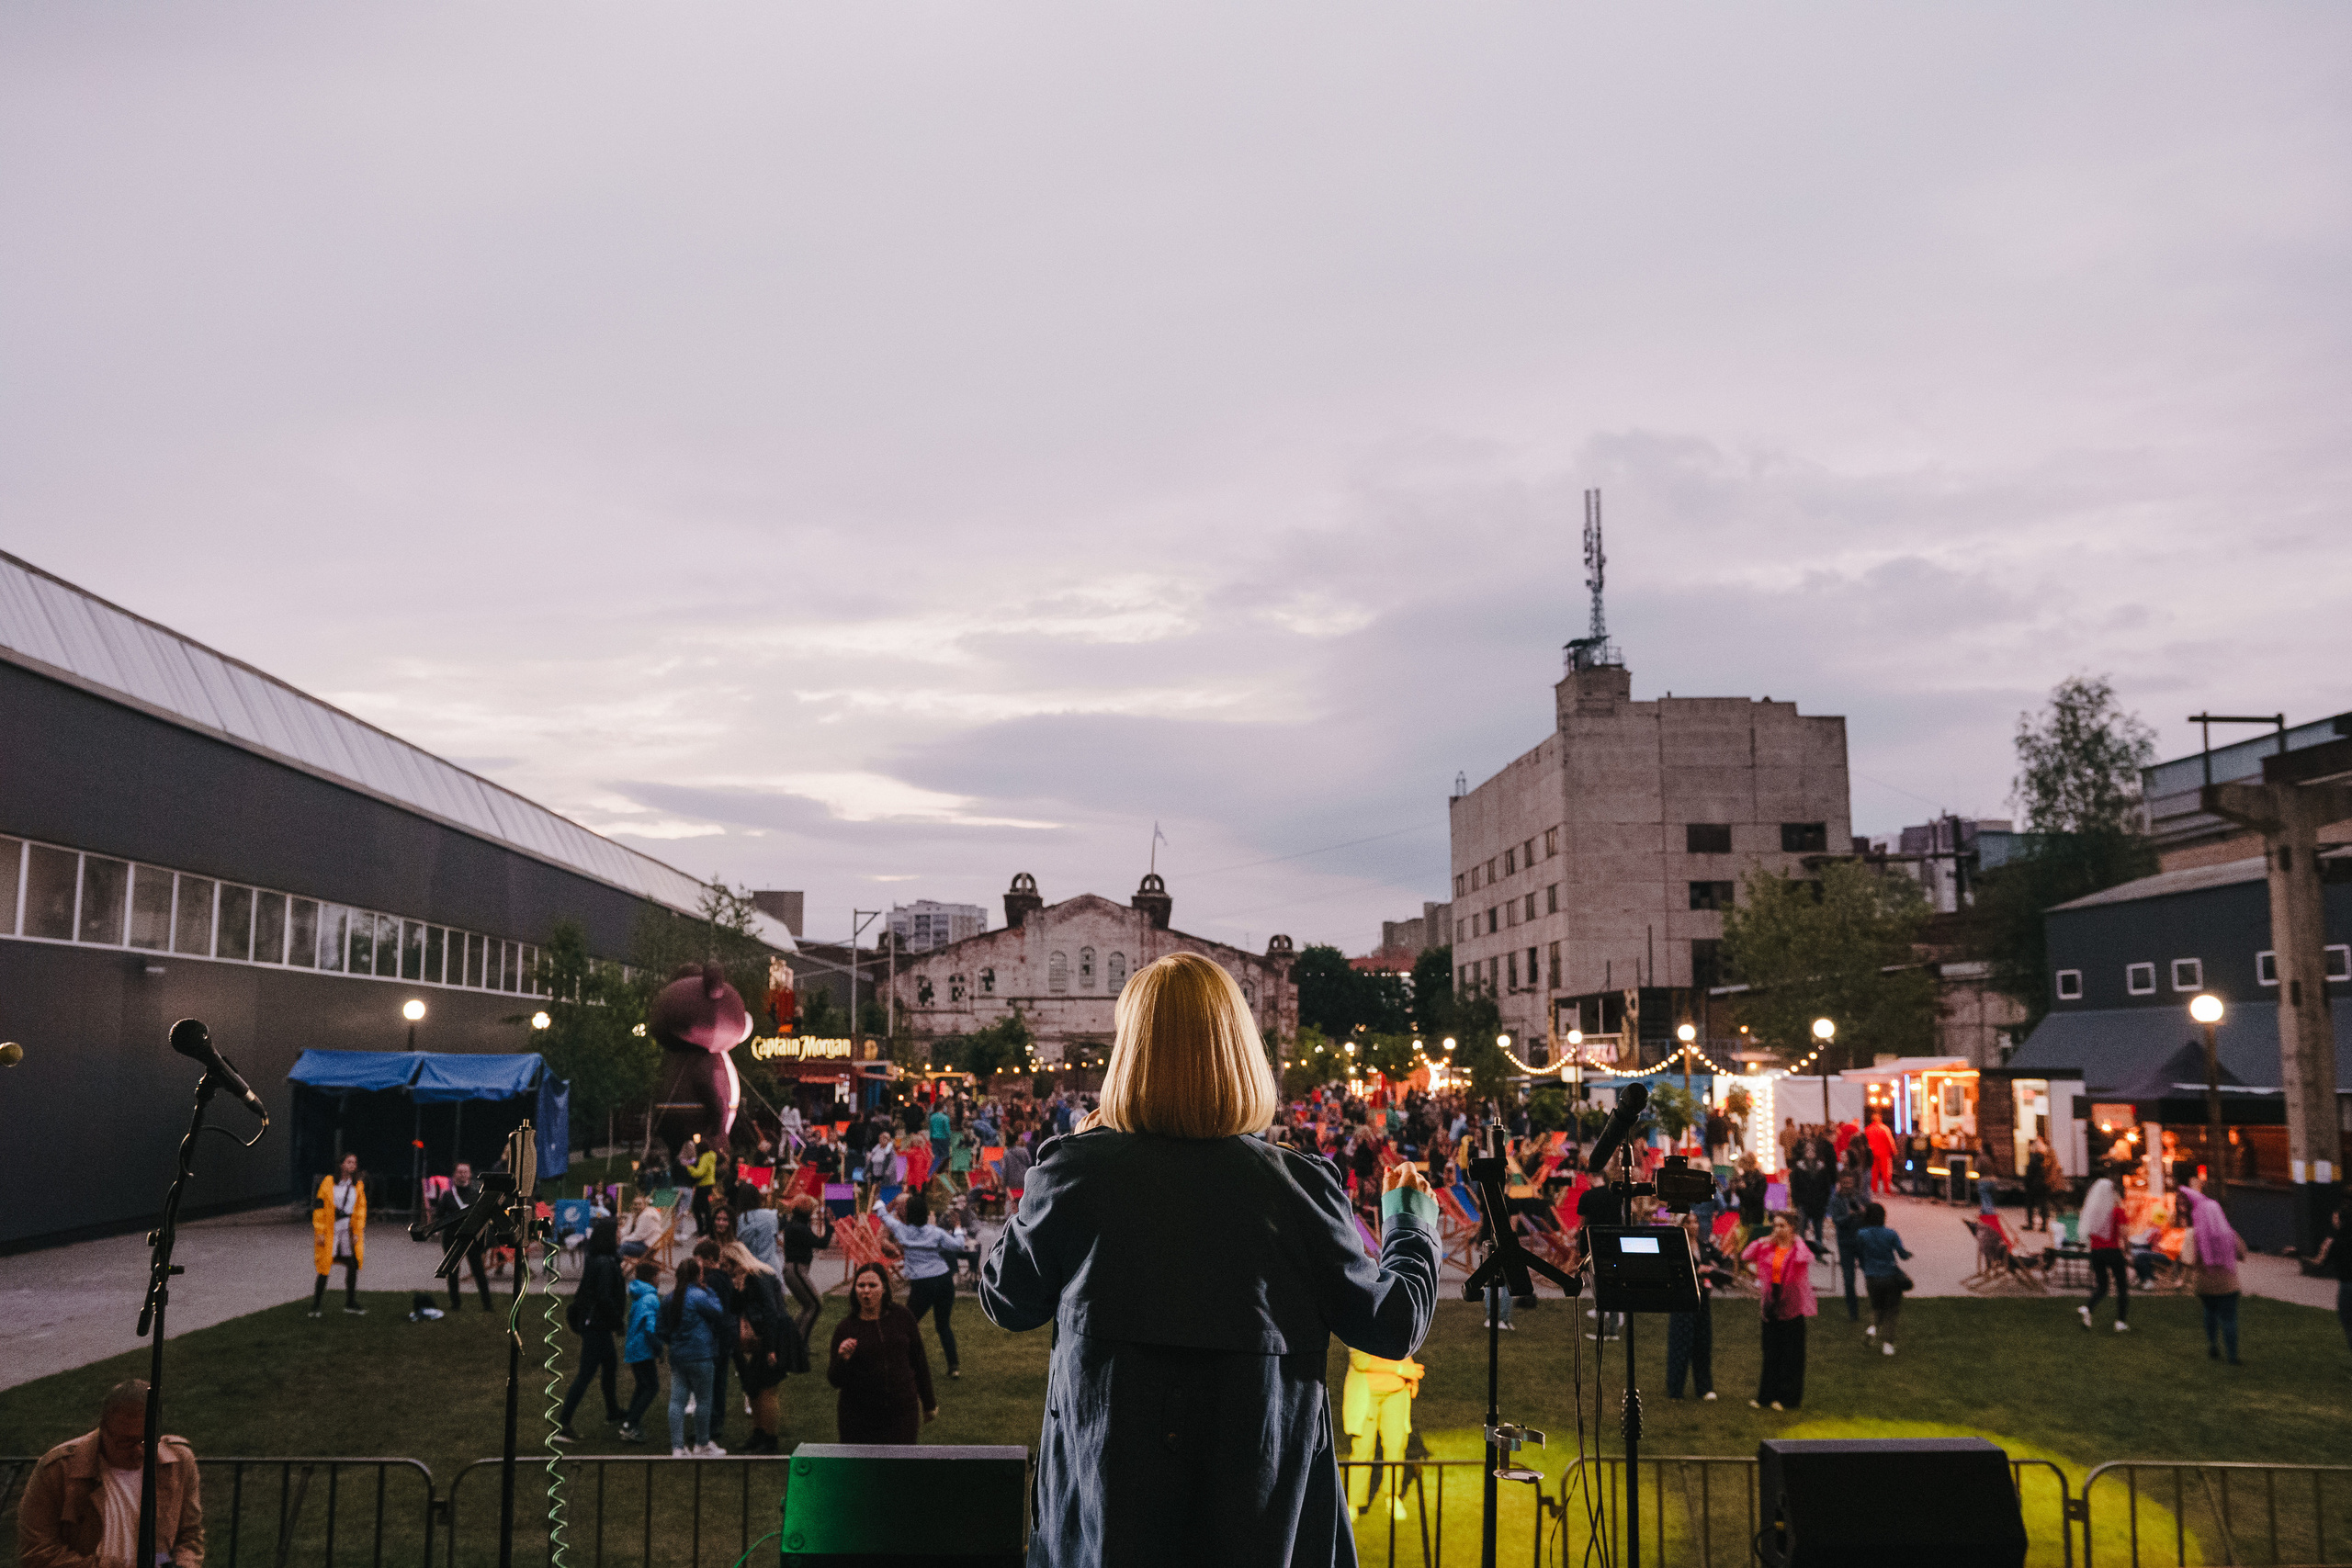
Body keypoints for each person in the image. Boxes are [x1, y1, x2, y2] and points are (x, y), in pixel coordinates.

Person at [981, 951, 1439, 1567]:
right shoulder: (1297, 1187)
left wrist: (1063, 1164)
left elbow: (1006, 1298)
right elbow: (1391, 1324)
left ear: (1132, 1054)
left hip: (1102, 1529)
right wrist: (1410, 1224)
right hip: (1261, 1528)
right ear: (1238, 1050)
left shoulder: (1079, 1170)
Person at [17, 1378, 204, 1568]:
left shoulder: (179, 1463)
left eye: (147, 1440)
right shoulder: (58, 1470)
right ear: (102, 1430)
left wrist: (183, 1565)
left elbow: (190, 1534)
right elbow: (38, 1554)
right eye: (125, 1442)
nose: (139, 1451)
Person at [830, 1261, 937, 1442]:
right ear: (854, 1289)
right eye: (861, 1285)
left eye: (872, 1285)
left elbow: (919, 1360)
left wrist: (929, 1403)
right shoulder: (846, 1328)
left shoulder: (902, 1317)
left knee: (898, 1468)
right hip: (858, 1418)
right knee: (863, 1470)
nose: (866, 1291)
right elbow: (834, 1380)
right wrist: (843, 1359)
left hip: (902, 1413)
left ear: (884, 1288)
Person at [721, 1240, 802, 1452]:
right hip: (763, 1335)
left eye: (725, 1264)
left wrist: (771, 1348)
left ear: (736, 1261)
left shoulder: (759, 1276)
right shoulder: (743, 1279)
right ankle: (758, 1433)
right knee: (754, 1386)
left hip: (774, 1335)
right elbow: (735, 1307)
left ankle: (770, 1439)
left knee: (767, 1388)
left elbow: (771, 1311)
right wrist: (737, 1287)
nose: (723, 1269)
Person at [554, 1218, 628, 1442]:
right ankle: (563, 1423)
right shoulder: (605, 1263)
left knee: (610, 1366)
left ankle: (612, 1409)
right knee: (586, 1374)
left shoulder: (598, 1259)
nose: (620, 1236)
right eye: (617, 1233)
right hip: (597, 1325)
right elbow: (604, 1298)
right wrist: (618, 1322)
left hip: (596, 1324)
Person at [881, 1192, 964, 1378]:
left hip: (923, 1283)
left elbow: (882, 1214)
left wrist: (885, 1202)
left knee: (906, 1323)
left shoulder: (902, 1230)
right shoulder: (935, 1232)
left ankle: (904, 1363)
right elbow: (958, 1245)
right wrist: (957, 1227)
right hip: (944, 1280)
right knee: (943, 1325)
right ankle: (954, 1367)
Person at [1742, 1212, 1817, 1410]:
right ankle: (1766, 1396)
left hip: (1791, 1305)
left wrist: (1796, 1240)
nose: (1777, 1230)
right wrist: (1763, 1240)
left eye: (1782, 1226)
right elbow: (1745, 1255)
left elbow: (1804, 1258)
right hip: (1771, 1303)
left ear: (1792, 1228)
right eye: (1775, 1225)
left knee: (1791, 1354)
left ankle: (1788, 1398)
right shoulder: (1768, 1247)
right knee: (1770, 1352)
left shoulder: (1797, 1248)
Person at [1340, 1348, 1424, 1521]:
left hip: (1396, 1392)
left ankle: (1392, 1497)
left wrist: (1412, 1377)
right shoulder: (1359, 1324)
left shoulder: (1396, 1320)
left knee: (1396, 1446)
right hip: (1366, 1393)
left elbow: (1405, 1349)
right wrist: (1400, 1369)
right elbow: (1361, 1362)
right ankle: (1353, 1503)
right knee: (1362, 1450)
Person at [659, 1257, 729, 1457]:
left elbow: (661, 1328)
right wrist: (710, 1291)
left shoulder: (669, 1298)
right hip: (700, 1355)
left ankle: (678, 1447)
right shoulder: (700, 1296)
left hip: (678, 1356)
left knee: (677, 1400)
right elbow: (718, 1311)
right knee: (704, 1400)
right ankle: (702, 1443)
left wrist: (673, 1342)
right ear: (698, 1275)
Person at [2182, 1181, 2248, 1364]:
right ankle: (2233, 1356)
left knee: (2209, 1312)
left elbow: (2190, 1260)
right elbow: (2242, 1254)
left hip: (2205, 1283)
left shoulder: (2196, 1235)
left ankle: (2213, 1344)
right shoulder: (2229, 1233)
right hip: (2228, 1283)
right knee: (2229, 1318)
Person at [1665, 1212, 1720, 1402]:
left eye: (1695, 1222)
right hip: (1682, 1300)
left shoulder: (1705, 1246)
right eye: (1688, 1222)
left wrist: (1713, 1271)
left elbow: (1723, 1262)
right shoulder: (1677, 1247)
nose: (1693, 1226)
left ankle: (1704, 1387)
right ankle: (1675, 1388)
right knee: (1680, 1344)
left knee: (1703, 1343)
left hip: (1702, 1300)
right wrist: (1695, 1272)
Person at [431, 1162, 497, 1312]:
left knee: (479, 1271)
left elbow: (483, 1216)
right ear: (454, 1175)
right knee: (453, 1272)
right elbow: (439, 1216)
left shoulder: (476, 1194)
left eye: (465, 1172)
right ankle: (455, 1304)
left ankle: (487, 1304)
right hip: (452, 1238)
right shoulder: (447, 1195)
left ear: (470, 1174)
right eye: (459, 1172)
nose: (462, 1175)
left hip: (472, 1239)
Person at [311, 1153, 368, 1318]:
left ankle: (350, 1302)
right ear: (342, 1164)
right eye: (349, 1162)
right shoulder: (328, 1183)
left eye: (354, 1162)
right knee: (324, 1265)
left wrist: (357, 1232)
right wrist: (320, 1231)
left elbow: (360, 1211)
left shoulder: (358, 1185)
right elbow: (319, 1208)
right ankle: (316, 1305)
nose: (352, 1165)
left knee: (352, 1264)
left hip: (347, 1228)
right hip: (331, 1228)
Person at [1852, 1201, 1913, 1356]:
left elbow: (1858, 1252)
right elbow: (1902, 1254)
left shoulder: (1862, 1234)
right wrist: (1908, 1254)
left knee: (1876, 1307)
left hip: (1872, 1276)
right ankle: (1888, 1345)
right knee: (1891, 1311)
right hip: (1890, 1275)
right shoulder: (1891, 1234)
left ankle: (1872, 1328)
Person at [617, 1258, 665, 1444]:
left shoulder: (639, 1295)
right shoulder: (651, 1299)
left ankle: (630, 1417)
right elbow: (650, 1328)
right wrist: (659, 1349)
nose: (658, 1280)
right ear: (652, 1278)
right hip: (643, 1349)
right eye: (657, 1276)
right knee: (652, 1387)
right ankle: (631, 1424)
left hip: (635, 1348)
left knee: (642, 1385)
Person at [2079, 1164, 2131, 1333]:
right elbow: (2124, 1234)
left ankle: (2089, 1308)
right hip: (2113, 1251)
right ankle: (2120, 1321)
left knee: (2102, 1287)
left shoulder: (2093, 1213)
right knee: (2122, 1287)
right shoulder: (2117, 1211)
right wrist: (2127, 1251)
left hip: (2096, 1252)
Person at [781, 1195, 832, 1347]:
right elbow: (820, 1243)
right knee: (815, 1305)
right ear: (806, 1209)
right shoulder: (799, 1227)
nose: (814, 1213)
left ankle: (794, 1339)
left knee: (808, 1305)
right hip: (796, 1269)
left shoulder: (797, 1224)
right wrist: (830, 1228)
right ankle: (801, 1343)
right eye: (813, 1209)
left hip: (794, 1269)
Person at [1789, 1147, 1831, 1252]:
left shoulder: (1821, 1168)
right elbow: (1794, 1185)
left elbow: (1826, 1186)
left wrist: (1824, 1200)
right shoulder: (1799, 1168)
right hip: (1803, 1202)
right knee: (1802, 1227)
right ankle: (1800, 1249)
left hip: (1818, 1202)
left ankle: (1818, 1249)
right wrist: (1797, 1201)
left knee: (1818, 1228)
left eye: (1812, 1151)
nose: (1810, 1153)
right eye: (1808, 1151)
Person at [734, 1181, 780, 1273]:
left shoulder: (740, 1220)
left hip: (749, 1266)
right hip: (771, 1265)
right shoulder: (771, 1215)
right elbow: (775, 1239)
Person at [2023, 1138, 2054, 1232]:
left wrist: (2026, 1182)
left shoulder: (2034, 1158)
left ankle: (2030, 1224)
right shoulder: (2046, 1158)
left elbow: (2030, 1173)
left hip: (2034, 1185)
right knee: (2043, 1205)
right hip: (2044, 1184)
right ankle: (2044, 1225)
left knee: (2030, 1205)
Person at [1863, 1114, 1896, 1196]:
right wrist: (1894, 1151)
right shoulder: (1884, 1128)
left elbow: (1865, 1142)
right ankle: (1887, 1189)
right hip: (1884, 1153)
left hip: (1872, 1153)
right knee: (1886, 1172)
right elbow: (1890, 1141)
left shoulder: (1868, 1129)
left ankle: (1874, 1189)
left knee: (1874, 1172)